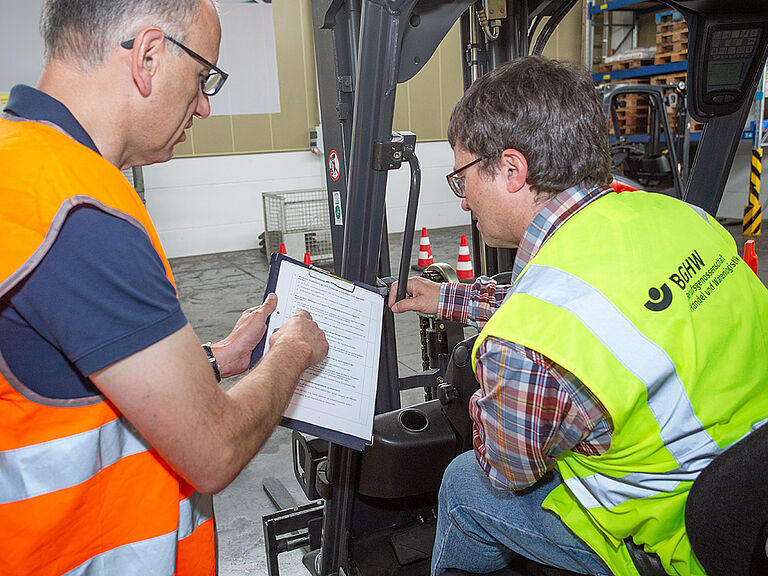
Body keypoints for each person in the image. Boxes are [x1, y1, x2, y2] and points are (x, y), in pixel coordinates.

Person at [389, 56, 768, 576]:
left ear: (513, 170)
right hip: (751, 492)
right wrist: (443, 299)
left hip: (673, 540)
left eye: (462, 178)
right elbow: (589, 302)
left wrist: (485, 391)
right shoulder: (680, 218)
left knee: (464, 483)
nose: (463, 203)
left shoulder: (523, 346)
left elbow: (507, 471)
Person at [0, 1, 328, 574]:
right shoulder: (81, 214)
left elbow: (69, 375)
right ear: (148, 56)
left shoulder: (20, 163)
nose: (202, 106)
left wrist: (217, 360)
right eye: (203, 78)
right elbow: (214, 450)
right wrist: (291, 353)